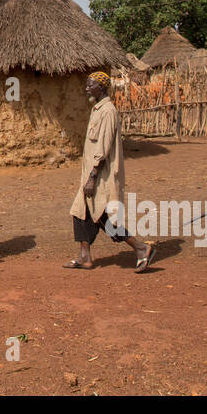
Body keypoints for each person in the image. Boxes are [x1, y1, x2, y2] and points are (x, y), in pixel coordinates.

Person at [65, 71, 154, 272]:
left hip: (100, 176)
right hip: (90, 174)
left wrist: (92, 178)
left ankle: (141, 248)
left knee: (104, 217)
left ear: (102, 88)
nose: (87, 88)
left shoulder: (107, 112)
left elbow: (103, 148)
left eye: (91, 85)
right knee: (80, 213)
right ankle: (84, 256)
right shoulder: (97, 109)